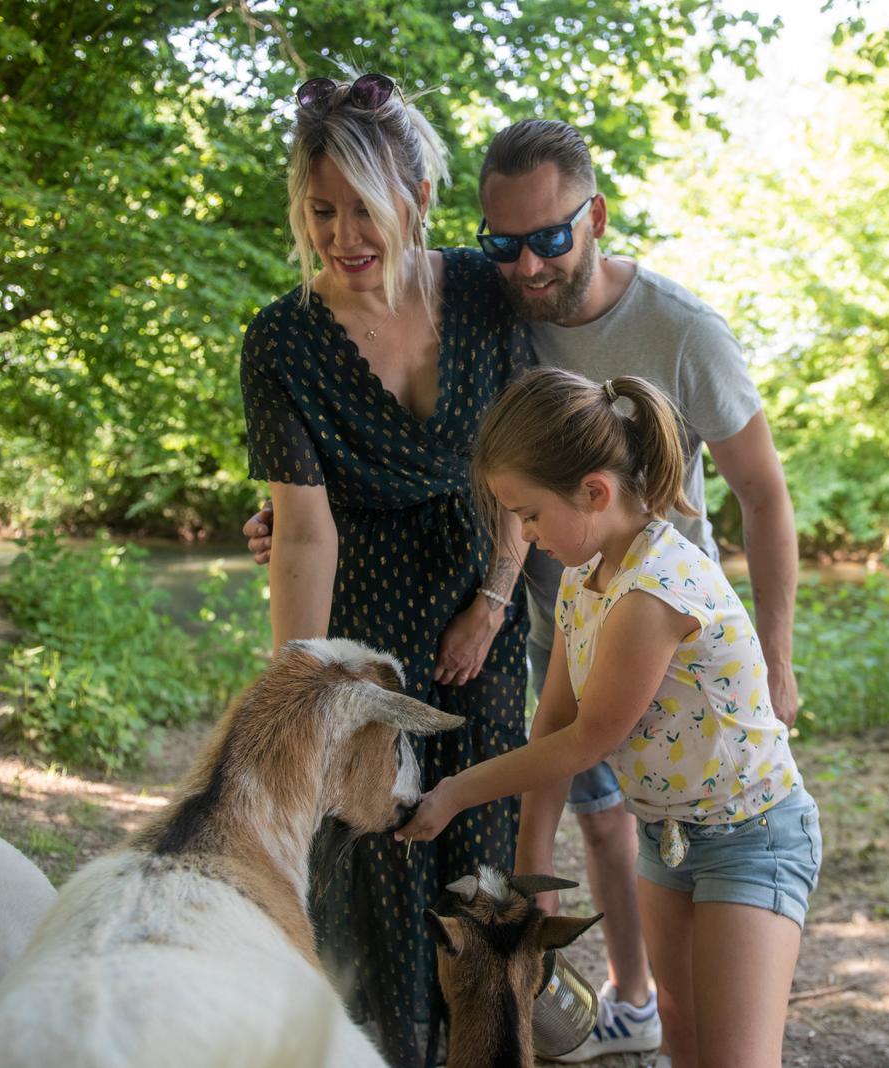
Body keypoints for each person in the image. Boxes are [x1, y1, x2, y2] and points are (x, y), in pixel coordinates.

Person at [247, 117, 800, 1063]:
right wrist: (299, 678)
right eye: (506, 244)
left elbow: (761, 491)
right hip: (506, 620)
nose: (529, 264)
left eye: (549, 239)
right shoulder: (480, 305)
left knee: (546, 824)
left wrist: (780, 668)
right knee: (537, 826)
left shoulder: (651, 335)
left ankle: (557, 1009)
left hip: (625, 679)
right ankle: (587, 1005)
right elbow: (316, 516)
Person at [396, 369, 822, 1068]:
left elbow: (588, 739)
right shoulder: (583, 579)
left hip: (753, 837)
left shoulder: (651, 594)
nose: (526, 536)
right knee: (684, 1043)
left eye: (529, 514)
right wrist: (531, 867)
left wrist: (453, 794)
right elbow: (552, 719)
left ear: (594, 491)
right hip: (666, 838)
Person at [238, 70, 529, 1068]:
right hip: (362, 622)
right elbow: (305, 534)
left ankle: (489, 1049)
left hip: (479, 606)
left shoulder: (488, 297)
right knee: (372, 865)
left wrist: (493, 603)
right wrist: (298, 699)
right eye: (321, 209)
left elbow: (521, 465)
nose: (342, 234)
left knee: (480, 860)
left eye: (364, 207)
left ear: (418, 200)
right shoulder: (280, 341)